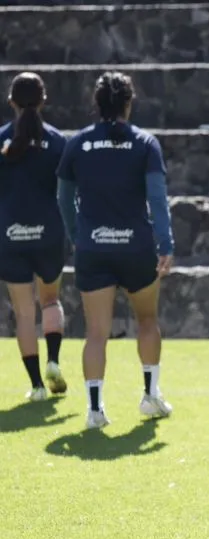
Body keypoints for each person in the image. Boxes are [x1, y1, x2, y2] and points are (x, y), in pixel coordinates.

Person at [56, 71, 175, 430]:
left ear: (97, 103)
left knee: (95, 332)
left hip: (94, 248)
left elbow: (62, 198)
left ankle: (94, 411)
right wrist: (165, 243)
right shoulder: (145, 143)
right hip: (137, 248)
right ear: (128, 102)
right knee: (148, 321)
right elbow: (157, 198)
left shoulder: (78, 143)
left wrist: (78, 234)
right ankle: (150, 396)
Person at [0, 72, 68, 401]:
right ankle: (53, 361)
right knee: (50, 300)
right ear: (43, 101)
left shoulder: (2, 139)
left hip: (10, 235)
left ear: (10, 101)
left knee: (24, 313)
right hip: (49, 233)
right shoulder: (57, 141)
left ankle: (37, 386)